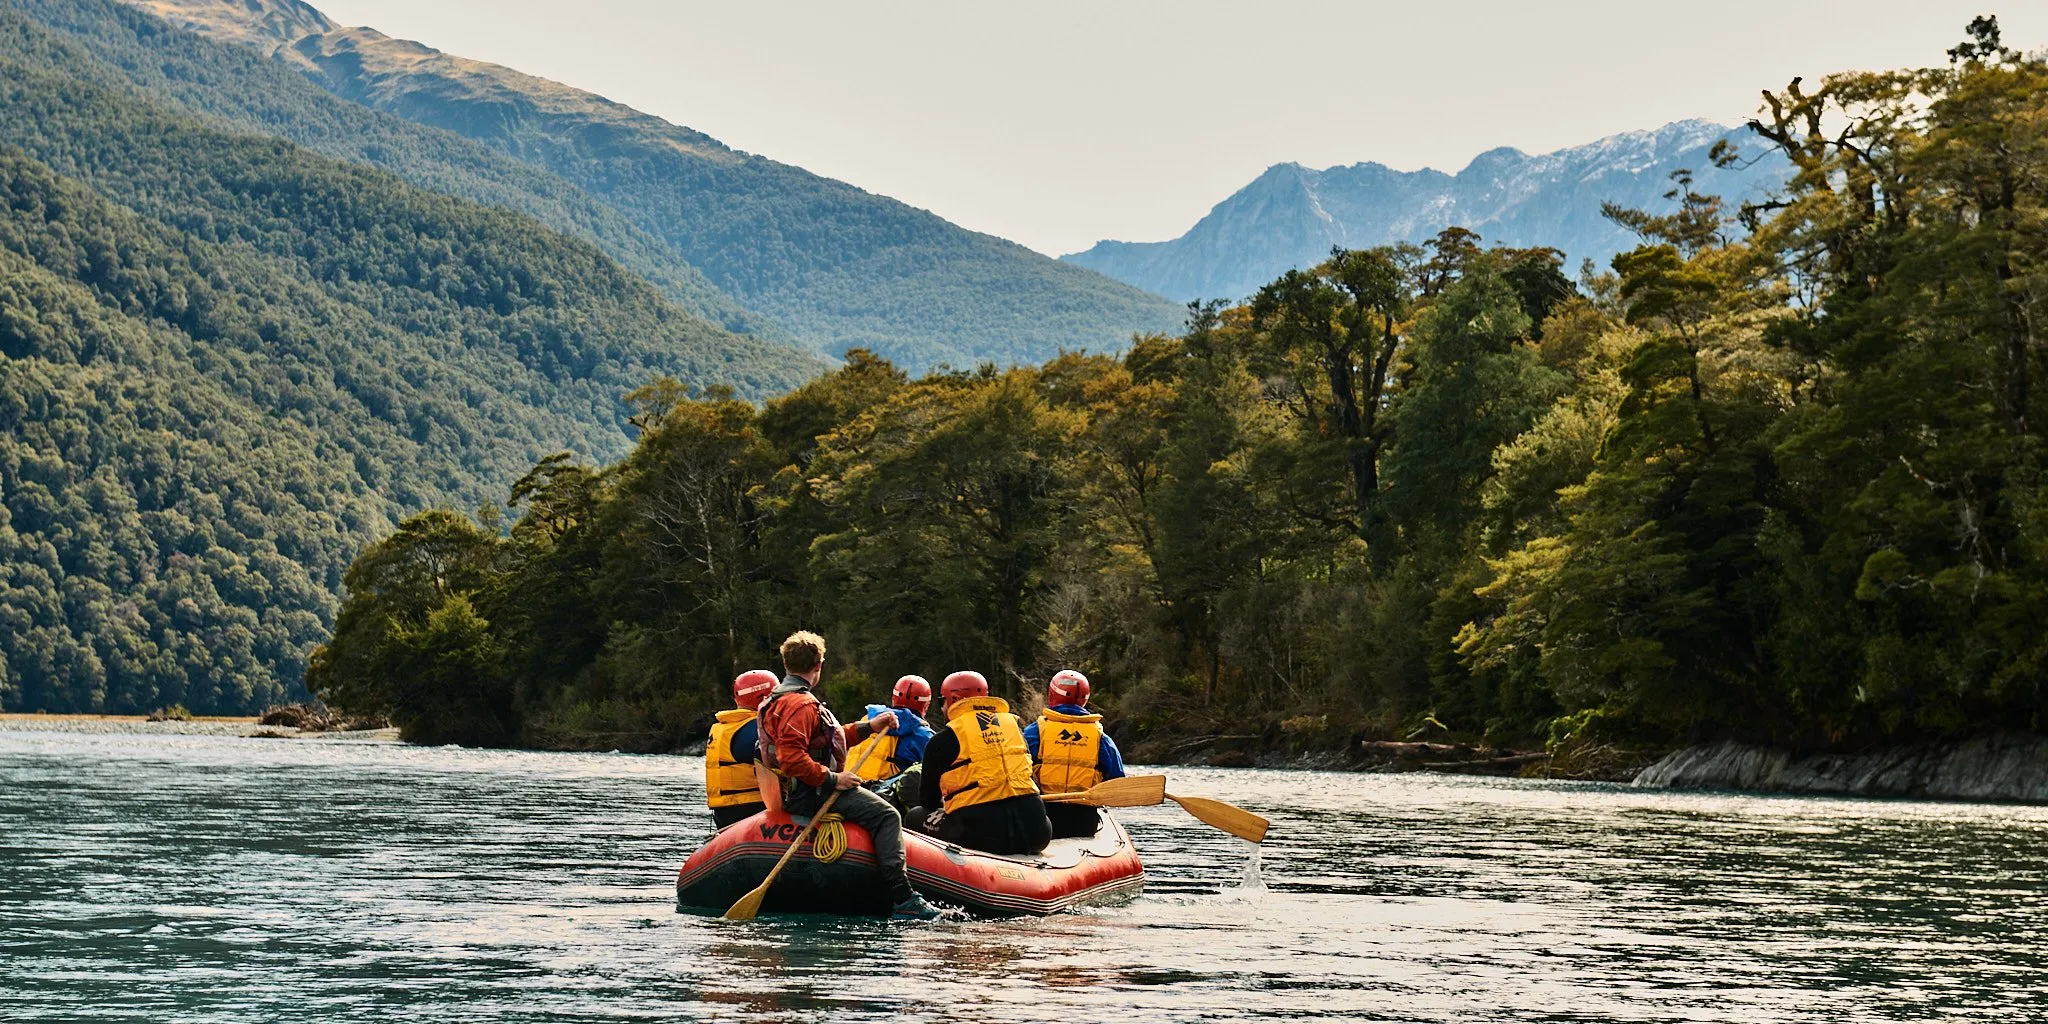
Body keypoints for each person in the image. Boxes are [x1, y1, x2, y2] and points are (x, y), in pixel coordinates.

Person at [757, 630, 942, 921]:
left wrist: (869, 726)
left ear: (786, 664)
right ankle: (903, 898)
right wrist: (833, 780)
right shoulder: (800, 705)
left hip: (800, 790)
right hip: (813, 794)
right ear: (818, 665)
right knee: (887, 815)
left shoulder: (780, 699)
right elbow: (792, 760)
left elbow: (828, 739)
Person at [912, 671, 1052, 855]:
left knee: (914, 816)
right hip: (1037, 834)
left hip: (980, 838)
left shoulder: (943, 739)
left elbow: (928, 800)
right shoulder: (1016, 728)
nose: (941, 708)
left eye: (941, 701)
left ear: (954, 699)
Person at [1022, 669, 1128, 839]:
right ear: (1085, 699)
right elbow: (1117, 780)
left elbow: (1016, 772)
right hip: (1083, 822)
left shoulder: (1034, 732)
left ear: (1051, 696)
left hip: (1043, 819)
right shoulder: (1101, 737)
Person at [705, 669, 778, 829]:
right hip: (751, 811)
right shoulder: (755, 729)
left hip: (724, 814)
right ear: (763, 698)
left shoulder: (725, 727)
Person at [846, 674, 936, 783]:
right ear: (926, 705)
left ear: (894, 699)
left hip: (846, 788)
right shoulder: (924, 735)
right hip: (883, 795)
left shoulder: (867, 720)